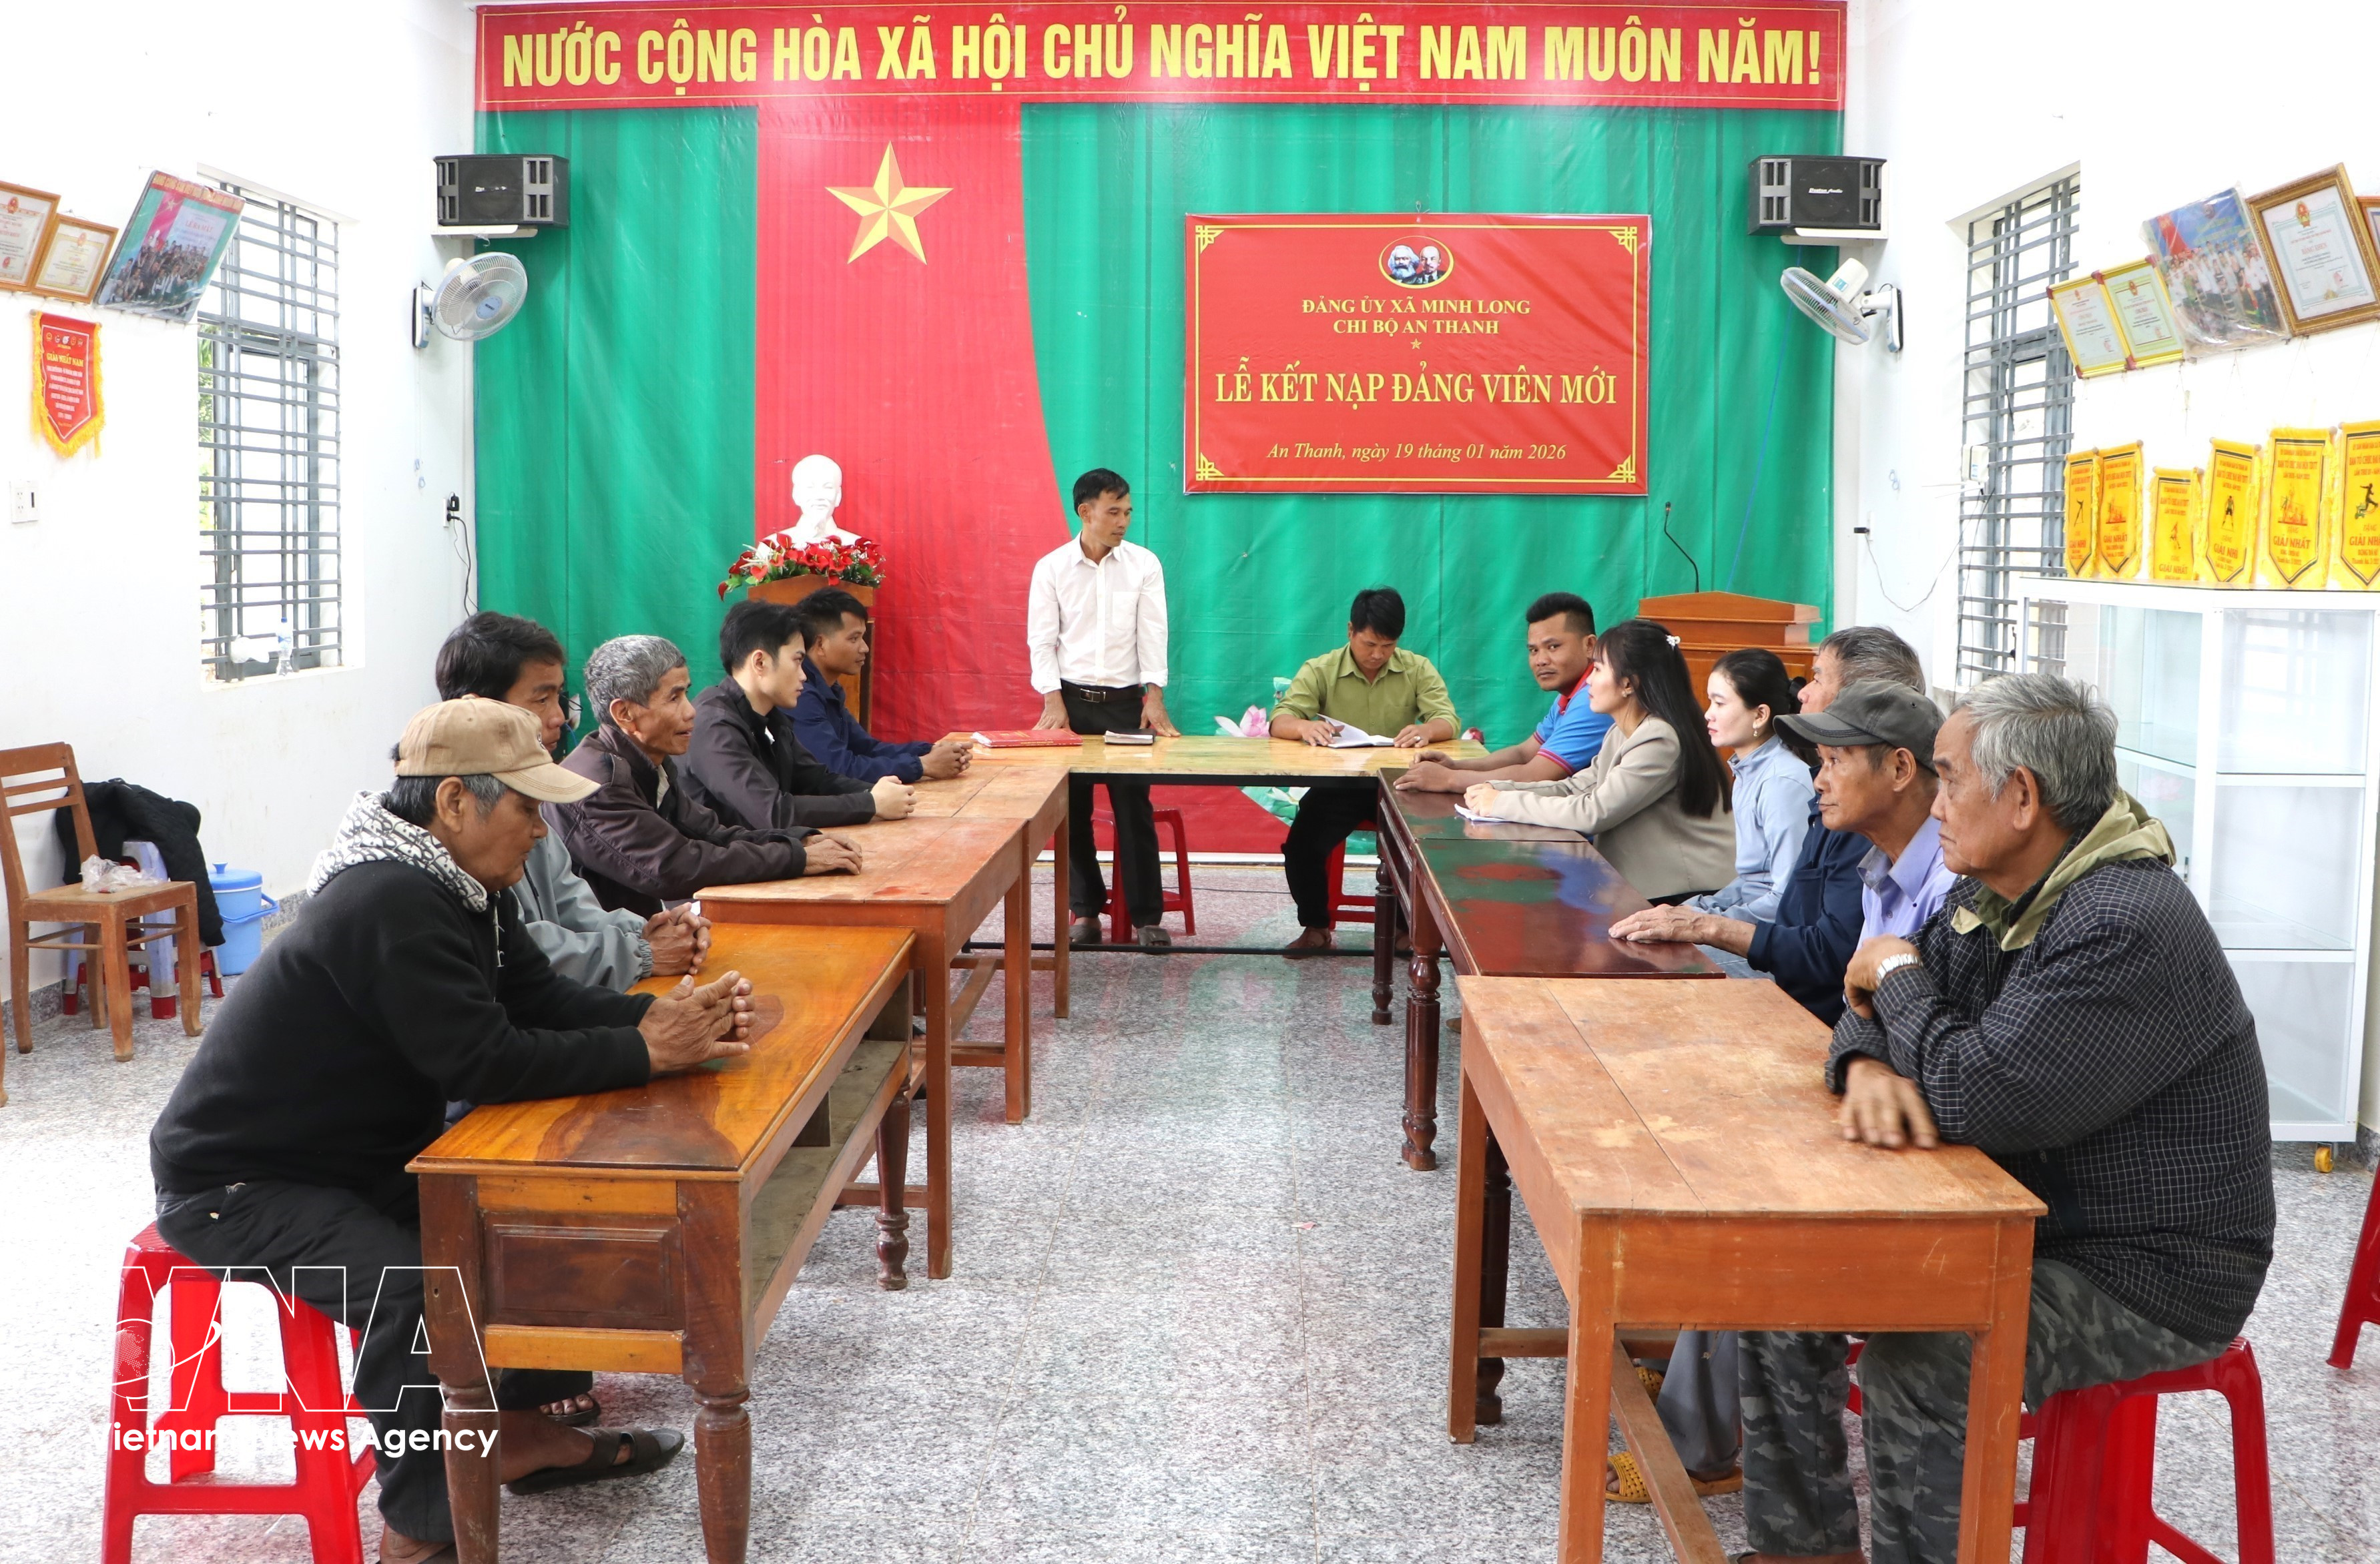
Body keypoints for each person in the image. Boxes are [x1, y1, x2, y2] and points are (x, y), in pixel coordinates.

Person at [150, 699, 761, 1564]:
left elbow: (535, 1003)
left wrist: (663, 1020)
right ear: (453, 805)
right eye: (525, 809)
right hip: (240, 1186)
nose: (542, 833)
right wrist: (641, 1050)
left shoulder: (459, 882)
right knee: (415, 1295)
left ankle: (514, 1436)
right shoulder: (388, 898)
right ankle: (420, 1535)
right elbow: (480, 1062)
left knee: (529, 1220)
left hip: (351, 1160)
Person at [1739, 673, 2274, 1564]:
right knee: (1779, 1279)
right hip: (2019, 1218)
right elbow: (1860, 1001)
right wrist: (1866, 1056)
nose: (1934, 804)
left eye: (1948, 780)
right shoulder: (1991, 886)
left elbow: (1974, 1091)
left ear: (2020, 797)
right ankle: (1804, 1553)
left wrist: (1897, 980)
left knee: (1923, 1361)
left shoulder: (2120, 920)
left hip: (2148, 1269)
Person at [1602, 633, 1941, 1514]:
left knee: (1745, 1193)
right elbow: (1862, 996)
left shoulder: (1946, 873)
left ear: (1901, 766)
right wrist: (1862, 1052)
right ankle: (1683, 1335)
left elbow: (1858, 978)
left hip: (1919, 1118)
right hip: (1851, 1051)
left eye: (1830, 748)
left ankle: (1700, 1425)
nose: (1816, 770)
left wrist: (1711, 929)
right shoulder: (1875, 852)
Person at [1610, 624, 1927, 1023]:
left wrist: (1709, 927)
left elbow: (1834, 966)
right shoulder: (1833, 805)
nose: (1803, 693)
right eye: (1824, 760)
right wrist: (1698, 916)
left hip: (1795, 997)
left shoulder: (1836, 808)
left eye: (1816, 678)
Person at [434, 612, 706, 993]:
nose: (560, 718)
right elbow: (516, 949)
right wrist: (643, 951)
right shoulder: (456, 815)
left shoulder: (531, 793)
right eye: (541, 699)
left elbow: (572, 906)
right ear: (478, 708)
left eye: (559, 698)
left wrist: (648, 930)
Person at [549, 635, 861, 916]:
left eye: (686, 693)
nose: (690, 711)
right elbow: (674, 866)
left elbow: (712, 833)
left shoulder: (651, 760)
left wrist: (799, 841)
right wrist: (797, 859)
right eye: (674, 698)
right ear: (625, 714)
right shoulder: (596, 785)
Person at [1462, 619, 1734, 901]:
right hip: (1649, 888)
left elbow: (1594, 813)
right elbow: (1575, 788)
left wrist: (1502, 803)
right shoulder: (1622, 731)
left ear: (1628, 683)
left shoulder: (1659, 738)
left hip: (1686, 894)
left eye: (1599, 669)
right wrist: (1499, 789)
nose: (1589, 680)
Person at [1026, 468, 1177, 948]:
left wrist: (1154, 695)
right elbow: (1041, 640)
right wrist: (1053, 700)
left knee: (1134, 807)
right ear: (1085, 512)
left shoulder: (1144, 565)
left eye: (1128, 511)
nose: (1124, 521)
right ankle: (1085, 912)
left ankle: (1146, 917)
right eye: (1114, 511)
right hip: (1071, 703)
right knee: (1073, 812)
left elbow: (1153, 633)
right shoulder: (1051, 568)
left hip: (1125, 706)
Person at [1269, 586, 1458, 955]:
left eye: (1388, 646)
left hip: (1398, 784)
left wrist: (1426, 729)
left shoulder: (1416, 668)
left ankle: (1407, 933)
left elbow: (1447, 719)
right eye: (1369, 643)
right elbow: (1280, 720)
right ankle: (1316, 928)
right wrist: (1304, 727)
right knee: (1301, 846)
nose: (1378, 655)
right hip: (1337, 785)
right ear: (1350, 630)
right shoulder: (1321, 669)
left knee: (1415, 847)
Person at [683, 599, 914, 832]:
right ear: (760, 662)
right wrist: (871, 803)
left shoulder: (771, 717)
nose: (804, 676)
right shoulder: (713, 725)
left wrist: (875, 790)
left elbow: (815, 779)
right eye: (797, 661)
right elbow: (774, 813)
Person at [1782, 680, 1958, 943]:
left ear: (1900, 769)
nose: (1819, 783)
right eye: (1821, 761)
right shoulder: (1878, 870)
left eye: (1835, 760)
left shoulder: (1949, 888)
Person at [1396, 592, 1608, 793]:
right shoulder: (1570, 695)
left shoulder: (1593, 700)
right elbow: (1523, 754)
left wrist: (1448, 779)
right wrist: (1453, 767)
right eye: (1533, 650)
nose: (1540, 660)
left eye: (1553, 647)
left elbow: (1535, 775)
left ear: (1590, 645)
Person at [788, 586, 972, 784]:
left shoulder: (830, 688)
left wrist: (931, 751)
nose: (865, 648)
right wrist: (923, 765)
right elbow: (838, 768)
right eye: (854, 638)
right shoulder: (801, 694)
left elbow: (867, 748)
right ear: (821, 644)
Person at [1683, 649, 1815, 924]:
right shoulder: (1749, 770)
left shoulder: (1781, 782)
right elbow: (1750, 881)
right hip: (1749, 917)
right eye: (1710, 703)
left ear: (1760, 715)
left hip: (1768, 937)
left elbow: (1787, 897)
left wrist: (1708, 924)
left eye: (1720, 704)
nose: (1708, 714)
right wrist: (1696, 909)